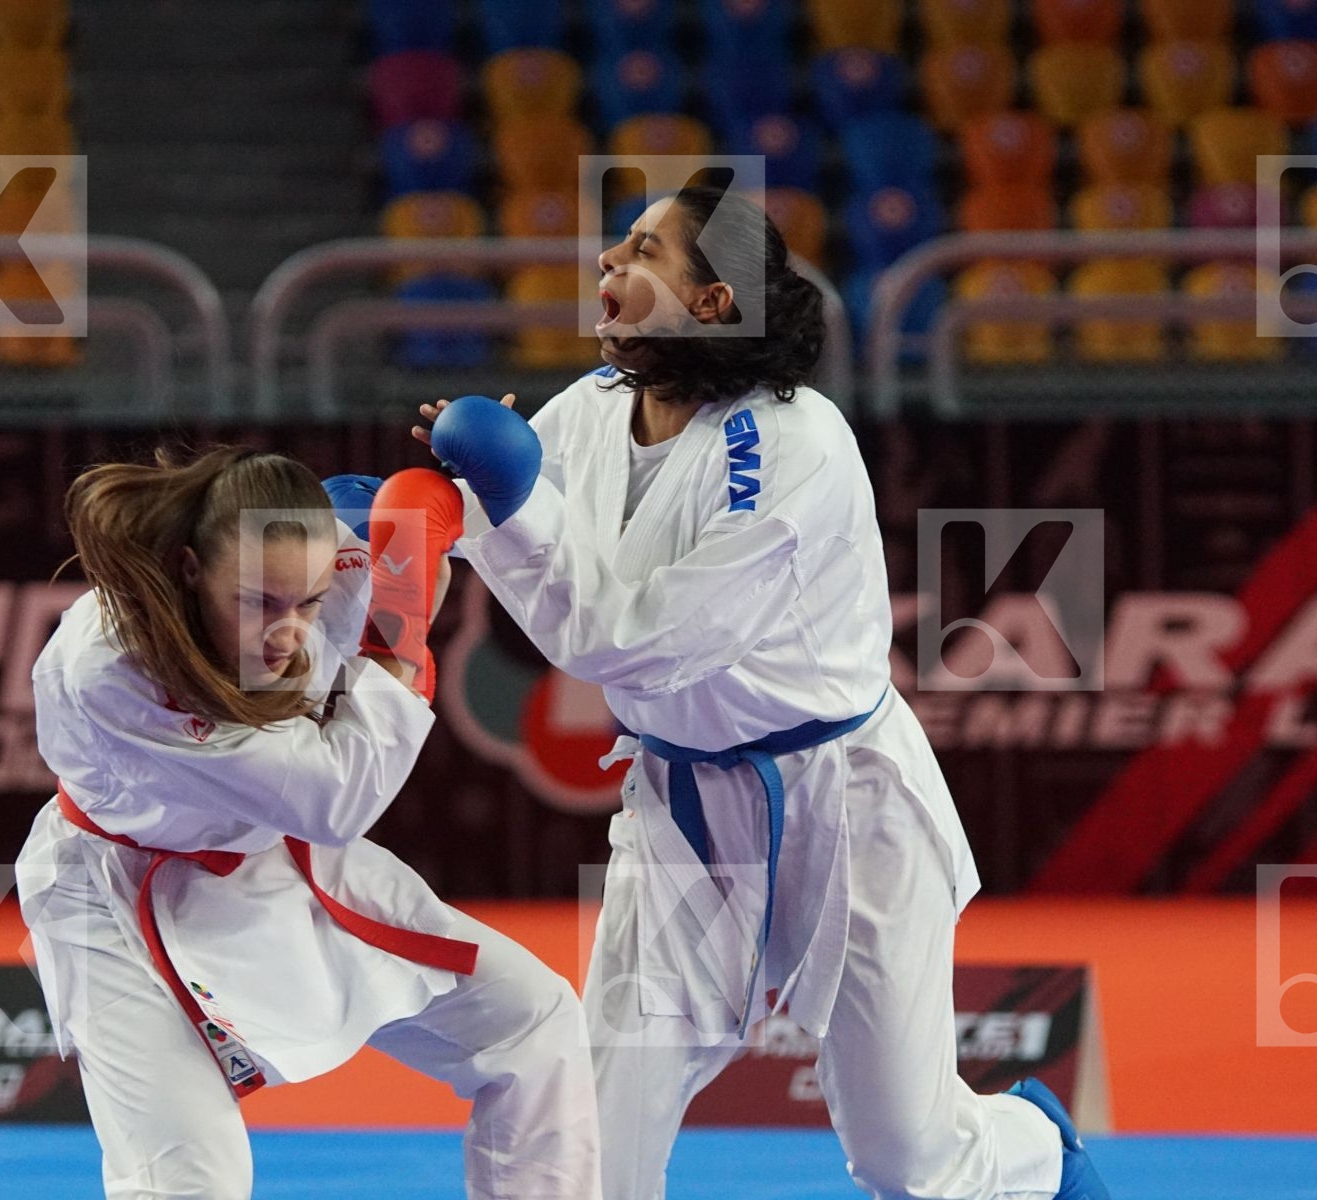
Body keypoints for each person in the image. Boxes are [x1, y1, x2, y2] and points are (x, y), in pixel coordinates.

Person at [415, 186, 1110, 1200]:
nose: (608, 258)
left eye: (644, 249)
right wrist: (398, 522)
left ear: (711, 301)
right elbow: (488, 516)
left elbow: (640, 643)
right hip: (683, 813)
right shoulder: (593, 407)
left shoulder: (792, 444)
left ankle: (1035, 1149)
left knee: (908, 1158)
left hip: (844, 803)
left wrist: (513, 502)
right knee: (606, 1124)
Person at [15, 445, 600, 1200]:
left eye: (308, 602)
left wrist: (487, 483)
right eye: (259, 602)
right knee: (191, 1178)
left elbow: (462, 531)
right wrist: (400, 638)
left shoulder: (342, 552)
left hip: (275, 861)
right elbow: (335, 799)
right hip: (119, 901)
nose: (287, 631)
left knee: (532, 1018)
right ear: (192, 569)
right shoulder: (114, 666)